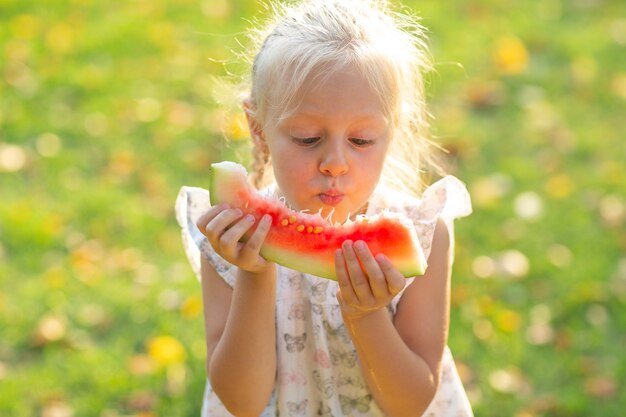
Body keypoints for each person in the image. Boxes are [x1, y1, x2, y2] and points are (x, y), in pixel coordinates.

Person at [176, 1, 473, 416]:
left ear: (393, 131)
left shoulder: (424, 234)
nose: (335, 162)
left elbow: (410, 403)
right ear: (258, 129)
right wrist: (254, 275)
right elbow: (242, 402)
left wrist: (366, 314)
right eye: (306, 137)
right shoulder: (231, 238)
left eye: (362, 140)